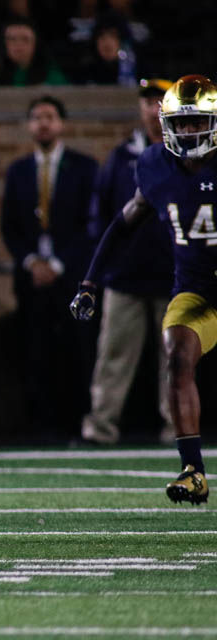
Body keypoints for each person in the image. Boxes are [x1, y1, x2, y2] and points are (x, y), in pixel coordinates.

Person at [71, 74, 217, 505]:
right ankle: (193, 470)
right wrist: (90, 281)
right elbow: (122, 224)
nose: (189, 132)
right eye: (182, 123)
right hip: (197, 292)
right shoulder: (154, 164)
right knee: (177, 354)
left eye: (198, 122)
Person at [80, 78, 175, 446]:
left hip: (174, 275)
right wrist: (98, 270)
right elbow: (105, 216)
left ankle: (178, 426)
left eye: (159, 101)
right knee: (114, 354)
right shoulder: (122, 157)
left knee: (177, 359)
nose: (153, 109)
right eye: (148, 101)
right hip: (125, 275)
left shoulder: (188, 156)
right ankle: (102, 425)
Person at [2, 95, 98, 436]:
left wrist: (58, 263)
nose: (44, 123)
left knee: (75, 350)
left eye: (50, 116)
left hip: (71, 277)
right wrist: (31, 261)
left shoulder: (85, 167)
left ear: (61, 123)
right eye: (37, 117)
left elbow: (91, 225)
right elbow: (9, 226)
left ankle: (77, 422)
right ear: (29, 125)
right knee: (34, 351)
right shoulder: (18, 170)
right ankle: (39, 425)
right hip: (31, 279)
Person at [0, 17, 67, 87]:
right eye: (12, 39)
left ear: (36, 44)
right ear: (4, 45)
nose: (18, 44)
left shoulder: (54, 79)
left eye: (25, 39)